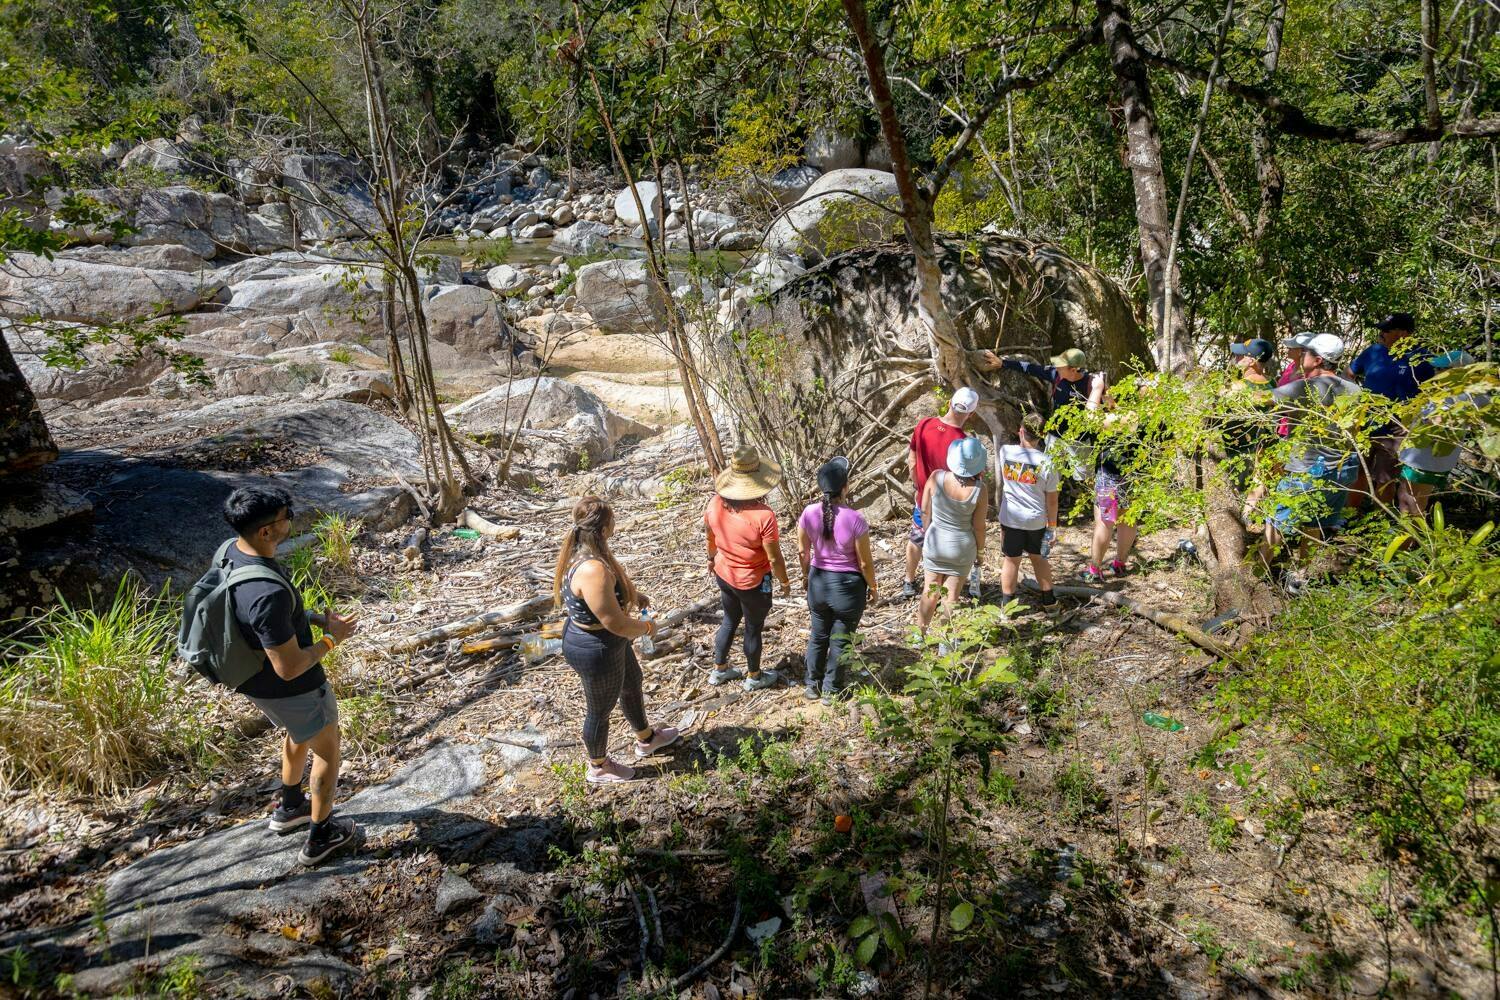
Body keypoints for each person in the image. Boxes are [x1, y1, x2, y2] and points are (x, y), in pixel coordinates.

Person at [220, 485, 360, 866]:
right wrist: (332, 638)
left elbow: (263, 623)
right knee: (328, 752)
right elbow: (291, 666)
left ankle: (290, 806)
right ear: (266, 531)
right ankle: (321, 837)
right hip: (292, 686)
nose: (290, 522)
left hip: (255, 681)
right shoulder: (267, 592)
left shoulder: (233, 552)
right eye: (285, 517)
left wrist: (314, 619)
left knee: (298, 733)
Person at [554, 496, 678, 784]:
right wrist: (646, 628)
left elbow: (611, 598)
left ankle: (646, 739)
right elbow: (615, 622)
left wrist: (634, 597)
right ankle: (598, 766)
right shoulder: (591, 568)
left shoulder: (592, 553)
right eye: (612, 518)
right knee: (599, 709)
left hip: (607, 642)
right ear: (602, 527)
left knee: (631, 683)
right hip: (597, 648)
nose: (615, 523)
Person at [704, 445, 793, 690]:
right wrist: (784, 582)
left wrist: (711, 559)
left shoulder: (715, 503)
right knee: (753, 628)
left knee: (730, 620)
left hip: (724, 573)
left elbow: (710, 537)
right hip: (752, 581)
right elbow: (774, 558)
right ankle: (754, 676)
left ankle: (719, 670)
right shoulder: (764, 516)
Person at [1267, 333, 1363, 558]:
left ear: (1318, 360)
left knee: (1277, 523)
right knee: (1315, 522)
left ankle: (1254, 577)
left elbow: (1262, 399)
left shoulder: (1305, 387)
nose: (1302, 357)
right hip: (1342, 470)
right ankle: (1301, 578)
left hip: (1307, 471)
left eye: (1306, 353)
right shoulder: (1355, 390)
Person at [797, 457, 878, 702]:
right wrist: (873, 586)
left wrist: (805, 576)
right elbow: (864, 562)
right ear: (846, 487)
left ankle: (812, 685)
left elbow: (803, 552)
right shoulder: (855, 519)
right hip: (848, 588)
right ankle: (832, 691)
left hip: (818, 583)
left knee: (818, 635)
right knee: (841, 638)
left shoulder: (808, 512)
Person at [1349, 312, 1435, 504]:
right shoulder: (1373, 352)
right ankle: (1350, 514)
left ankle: (1381, 520)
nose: (1381, 335)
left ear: (1403, 333)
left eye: (1385, 331)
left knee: (1385, 477)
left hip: (1396, 429)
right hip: (1366, 423)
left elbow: (1433, 392)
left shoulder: (1422, 358)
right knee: (1358, 470)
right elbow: (1349, 373)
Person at [984, 346, 1106, 479]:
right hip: (1055, 436)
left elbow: (1107, 411)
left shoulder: (1091, 385)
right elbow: (1030, 368)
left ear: (1073, 369)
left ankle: (1087, 496)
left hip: (1079, 440)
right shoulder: (1056, 375)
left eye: (1061, 366)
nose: (1057, 367)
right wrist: (1002, 363)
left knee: (1084, 476)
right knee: (1050, 474)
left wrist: (1103, 391)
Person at [902, 388, 978, 599]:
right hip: (950, 504)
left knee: (917, 536)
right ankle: (944, 584)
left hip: (924, 498)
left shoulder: (924, 424)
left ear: (949, 404)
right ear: (971, 414)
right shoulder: (963, 443)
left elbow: (911, 459)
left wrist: (919, 486)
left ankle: (909, 581)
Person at [1395, 350, 1487, 517]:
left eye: (1441, 369)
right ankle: (1408, 535)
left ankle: (1408, 538)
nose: (1436, 373)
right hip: (1433, 459)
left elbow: (1438, 422)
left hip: (1424, 460)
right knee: (1412, 498)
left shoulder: (1460, 394)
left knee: (1411, 501)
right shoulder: (1472, 393)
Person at [918, 437, 989, 636]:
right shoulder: (980, 490)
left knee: (930, 590)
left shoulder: (936, 477)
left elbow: (925, 511)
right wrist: (980, 552)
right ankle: (944, 644)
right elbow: (979, 527)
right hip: (962, 548)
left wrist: (927, 533)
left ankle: (919, 635)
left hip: (936, 542)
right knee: (951, 596)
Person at [996, 414, 1059, 610]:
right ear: (1043, 435)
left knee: (1011, 560)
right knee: (1038, 559)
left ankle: (1007, 608)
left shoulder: (1005, 452)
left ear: (1021, 431)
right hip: (1036, 521)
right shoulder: (1047, 462)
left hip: (1011, 519)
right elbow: (1052, 499)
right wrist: (1053, 526)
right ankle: (1049, 603)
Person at [1085, 412, 1140, 583]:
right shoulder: (1142, 416)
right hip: (1133, 475)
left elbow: (1089, 416)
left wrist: (1098, 388)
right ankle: (1119, 564)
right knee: (1128, 520)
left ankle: (1095, 570)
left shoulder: (1106, 423)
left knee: (1105, 522)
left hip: (1107, 478)